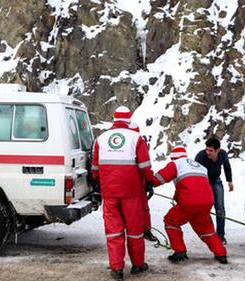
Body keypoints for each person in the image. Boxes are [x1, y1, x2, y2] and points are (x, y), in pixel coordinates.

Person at [91, 106, 154, 280]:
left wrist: (99, 183)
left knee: (113, 231)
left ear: (114, 118)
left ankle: (117, 268)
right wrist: (149, 182)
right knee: (134, 230)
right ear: (128, 119)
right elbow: (144, 166)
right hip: (132, 193)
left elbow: (95, 168)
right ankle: (138, 265)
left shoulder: (101, 139)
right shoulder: (136, 138)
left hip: (109, 193)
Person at [153, 146, 228, 264]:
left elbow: (159, 178)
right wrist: (177, 197)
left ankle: (179, 251)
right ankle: (221, 254)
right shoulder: (200, 166)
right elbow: (193, 185)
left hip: (189, 202)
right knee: (206, 229)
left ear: (174, 157)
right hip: (207, 201)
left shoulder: (176, 164)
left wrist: (145, 184)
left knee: (171, 220)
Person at [195, 137, 234, 244]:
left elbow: (227, 166)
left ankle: (220, 235)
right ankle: (210, 234)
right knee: (205, 209)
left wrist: (229, 181)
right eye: (206, 149)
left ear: (218, 150)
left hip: (216, 181)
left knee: (220, 209)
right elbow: (194, 173)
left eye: (210, 150)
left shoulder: (223, 155)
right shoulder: (201, 156)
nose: (207, 152)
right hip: (203, 183)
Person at [128, 122, 157, 242]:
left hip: (134, 182)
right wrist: (149, 181)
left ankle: (143, 231)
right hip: (137, 182)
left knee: (141, 207)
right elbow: (146, 165)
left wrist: (148, 181)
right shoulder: (139, 143)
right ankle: (144, 231)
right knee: (142, 208)